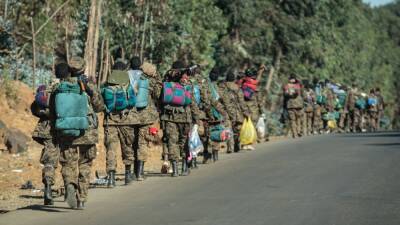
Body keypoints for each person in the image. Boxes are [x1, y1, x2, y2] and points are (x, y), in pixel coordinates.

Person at [50, 58, 104, 209]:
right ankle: (82, 199)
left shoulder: (59, 87)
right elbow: (99, 107)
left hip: (66, 131)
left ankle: (69, 184)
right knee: (85, 164)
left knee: (68, 162)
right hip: (87, 131)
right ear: (83, 69)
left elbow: (53, 112)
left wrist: (56, 131)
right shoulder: (88, 85)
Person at [160, 61, 200, 177]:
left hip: (169, 117)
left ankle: (174, 169)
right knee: (184, 143)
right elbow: (193, 103)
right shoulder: (188, 84)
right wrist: (196, 120)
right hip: (185, 118)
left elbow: (160, 100)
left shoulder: (167, 81)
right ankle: (184, 167)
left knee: (172, 142)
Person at [31, 81, 59, 206]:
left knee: (49, 162)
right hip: (67, 130)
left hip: (47, 131)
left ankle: (48, 189)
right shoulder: (64, 90)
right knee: (69, 160)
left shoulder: (44, 91)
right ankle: (70, 187)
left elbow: (34, 110)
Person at [219, 70, 249, 153]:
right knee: (237, 129)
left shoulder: (221, 86)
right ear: (233, 79)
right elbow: (241, 102)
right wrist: (246, 113)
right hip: (236, 111)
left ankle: (230, 147)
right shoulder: (237, 88)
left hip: (225, 111)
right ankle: (237, 143)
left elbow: (218, 98)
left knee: (228, 128)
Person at [283, 74, 304, 138]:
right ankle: (297, 132)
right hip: (297, 105)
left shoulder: (286, 86)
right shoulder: (297, 85)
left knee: (293, 120)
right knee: (297, 119)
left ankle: (295, 133)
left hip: (291, 105)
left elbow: (285, 94)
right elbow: (301, 88)